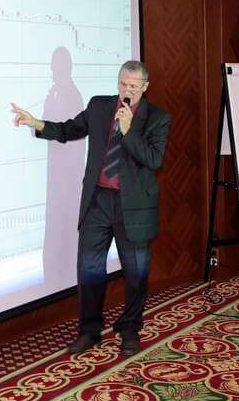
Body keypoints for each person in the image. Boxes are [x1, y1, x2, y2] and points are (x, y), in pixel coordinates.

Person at [10, 60, 171, 356]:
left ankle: (130, 330)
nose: (126, 90)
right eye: (122, 84)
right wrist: (37, 123)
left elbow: (153, 159)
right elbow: (69, 129)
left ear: (145, 87)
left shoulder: (157, 117)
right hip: (97, 200)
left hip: (133, 206)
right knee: (89, 268)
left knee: (136, 272)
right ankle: (89, 330)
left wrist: (128, 131)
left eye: (133, 86)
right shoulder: (99, 106)